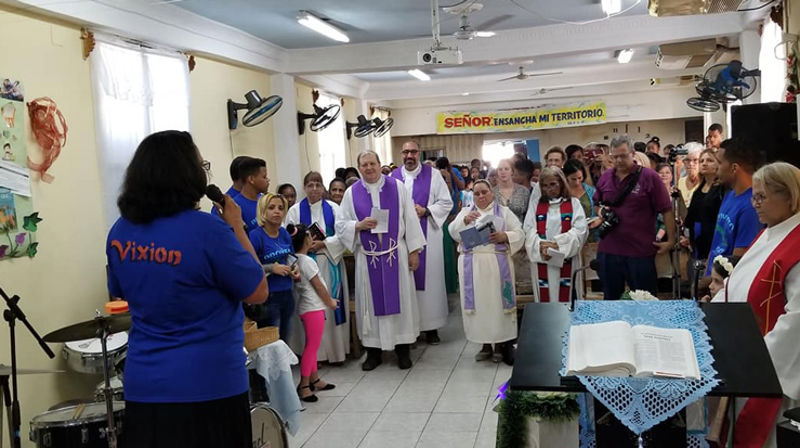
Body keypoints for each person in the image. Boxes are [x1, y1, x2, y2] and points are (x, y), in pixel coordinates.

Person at [106, 130, 268, 448]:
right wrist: (236, 224)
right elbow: (258, 290)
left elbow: (120, 293)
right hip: (209, 385)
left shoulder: (120, 231)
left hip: (144, 386)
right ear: (186, 175)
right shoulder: (208, 230)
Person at [712, 162, 800, 448]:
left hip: (769, 369)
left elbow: (796, 320)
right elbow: (740, 282)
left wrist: (755, 361)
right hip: (744, 361)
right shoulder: (770, 232)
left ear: (789, 196)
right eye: (753, 196)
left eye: (761, 197)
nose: (754, 205)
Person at [335, 150, 425, 371]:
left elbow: (410, 219)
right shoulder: (351, 193)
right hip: (369, 259)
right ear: (359, 167)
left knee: (401, 302)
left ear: (379, 164)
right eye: (364, 164)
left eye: (372, 163)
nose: (369, 168)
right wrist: (357, 225)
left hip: (396, 254)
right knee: (370, 305)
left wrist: (414, 251)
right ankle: (373, 352)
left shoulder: (397, 187)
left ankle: (402, 349)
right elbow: (341, 224)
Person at [589, 135, 674, 300]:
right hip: (609, 250)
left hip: (639, 252)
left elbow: (667, 210)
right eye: (615, 157)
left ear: (633, 154)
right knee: (611, 301)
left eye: (623, 155)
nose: (619, 160)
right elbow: (597, 203)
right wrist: (602, 212)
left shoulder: (649, 177)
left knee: (645, 301)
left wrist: (670, 241)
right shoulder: (606, 177)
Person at [450, 180, 524, 364]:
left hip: (497, 264)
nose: (481, 196)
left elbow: (520, 233)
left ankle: (499, 345)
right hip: (472, 264)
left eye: (484, 192)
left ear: (492, 192)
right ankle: (484, 345)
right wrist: (464, 221)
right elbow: (453, 232)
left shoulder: (503, 212)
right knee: (480, 306)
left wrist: (505, 236)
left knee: (497, 305)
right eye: (477, 193)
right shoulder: (467, 212)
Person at [391, 141, 453, 344]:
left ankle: (432, 327)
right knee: (406, 283)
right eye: (406, 151)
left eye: (413, 152)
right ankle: (410, 328)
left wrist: (426, 210)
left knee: (431, 283)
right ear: (402, 154)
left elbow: (446, 202)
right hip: (401, 239)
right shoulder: (392, 178)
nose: (409, 155)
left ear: (419, 154)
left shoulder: (433, 175)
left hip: (428, 237)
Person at [286, 172, 350, 364]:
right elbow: (287, 237)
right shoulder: (295, 211)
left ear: (323, 188)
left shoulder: (334, 208)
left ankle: (336, 353)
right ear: (304, 188)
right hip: (306, 265)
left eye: (318, 185)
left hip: (329, 261)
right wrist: (304, 246)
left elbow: (344, 234)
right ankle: (315, 356)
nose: (314, 189)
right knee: (312, 307)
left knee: (330, 306)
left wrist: (324, 244)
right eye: (310, 185)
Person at [285, 223, 339, 403]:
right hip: (313, 308)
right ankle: (304, 386)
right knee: (311, 348)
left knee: (311, 345)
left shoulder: (293, 259)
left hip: (306, 308)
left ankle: (315, 380)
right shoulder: (307, 261)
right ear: (307, 240)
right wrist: (330, 302)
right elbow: (319, 287)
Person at [525, 167, 588, 303]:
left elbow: (580, 231)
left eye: (553, 184)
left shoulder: (573, 203)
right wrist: (541, 246)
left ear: (561, 183)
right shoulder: (536, 205)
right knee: (545, 299)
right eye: (545, 186)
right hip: (543, 259)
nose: (549, 189)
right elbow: (529, 230)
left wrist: (557, 244)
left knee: (568, 299)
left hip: (567, 260)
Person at [705, 138, 763, 275]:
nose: (715, 168)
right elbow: (717, 243)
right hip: (713, 281)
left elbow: (739, 259)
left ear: (734, 168)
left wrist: (707, 282)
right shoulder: (729, 196)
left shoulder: (751, 206)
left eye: (719, 163)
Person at [249, 193, 296, 340]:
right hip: (269, 296)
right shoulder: (256, 236)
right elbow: (249, 267)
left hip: (287, 292)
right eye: (271, 207)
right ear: (263, 210)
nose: (277, 211)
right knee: (273, 342)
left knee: (286, 339)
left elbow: (291, 257)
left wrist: (295, 269)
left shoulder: (284, 233)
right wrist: (271, 268)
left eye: (281, 208)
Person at [683, 149, 725, 264]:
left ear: (718, 164)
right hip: (697, 240)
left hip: (714, 238)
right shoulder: (698, 190)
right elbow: (691, 216)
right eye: (701, 161)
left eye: (709, 160)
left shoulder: (721, 189)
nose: (704, 163)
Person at [213, 157, 269, 232]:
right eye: (264, 177)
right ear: (251, 179)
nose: (268, 180)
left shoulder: (265, 200)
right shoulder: (231, 205)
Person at [493, 158, 530, 223]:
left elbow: (529, 215)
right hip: (499, 231)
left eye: (506, 169)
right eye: (500, 169)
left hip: (520, 230)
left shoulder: (524, 191)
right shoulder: (492, 192)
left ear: (512, 171)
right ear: (497, 172)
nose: (503, 172)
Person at [677, 143, 703, 207]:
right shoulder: (680, 182)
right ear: (683, 162)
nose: (691, 164)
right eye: (687, 160)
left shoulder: (705, 183)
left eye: (695, 160)